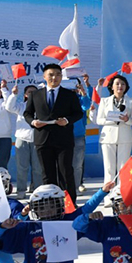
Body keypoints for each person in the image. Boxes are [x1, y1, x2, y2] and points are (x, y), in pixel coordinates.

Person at [24, 64, 84, 198]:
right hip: (42, 139)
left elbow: (78, 113)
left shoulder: (69, 94)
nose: (54, 77)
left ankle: (69, 205)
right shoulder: (35, 95)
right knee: (47, 174)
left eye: (58, 74)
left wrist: (67, 120)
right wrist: (33, 122)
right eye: (51, 74)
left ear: (61, 77)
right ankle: (51, 204)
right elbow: (27, 114)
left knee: (65, 172)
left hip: (64, 139)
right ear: (44, 77)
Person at [95, 75, 132, 185]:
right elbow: (99, 120)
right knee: (109, 167)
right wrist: (112, 119)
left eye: (123, 84)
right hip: (108, 136)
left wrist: (126, 119)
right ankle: (108, 196)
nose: (120, 86)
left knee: (123, 166)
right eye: (117, 84)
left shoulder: (131, 101)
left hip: (125, 136)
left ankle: (121, 194)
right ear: (112, 86)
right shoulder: (105, 101)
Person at [6, 84, 42, 198]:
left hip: (38, 139)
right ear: (25, 95)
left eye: (34, 92)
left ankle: (36, 189)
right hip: (22, 139)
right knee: (22, 166)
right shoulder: (21, 106)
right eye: (29, 92)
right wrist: (13, 94)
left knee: (37, 167)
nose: (32, 94)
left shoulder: (42, 107)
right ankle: (21, 190)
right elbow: (9, 107)